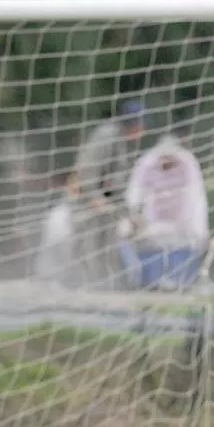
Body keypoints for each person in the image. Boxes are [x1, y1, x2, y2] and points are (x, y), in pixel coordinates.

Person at [118, 134, 210, 290]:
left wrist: (202, 230)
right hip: (153, 220)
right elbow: (134, 194)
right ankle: (140, 279)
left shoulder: (188, 164)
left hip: (182, 220)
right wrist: (135, 216)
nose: (167, 165)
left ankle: (181, 280)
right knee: (124, 231)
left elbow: (198, 199)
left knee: (194, 239)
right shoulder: (146, 164)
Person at [72, 99, 146, 288]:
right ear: (133, 123)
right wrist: (94, 196)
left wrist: (130, 214)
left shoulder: (123, 141)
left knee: (110, 249)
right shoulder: (106, 135)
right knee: (91, 249)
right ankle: (89, 289)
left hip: (108, 208)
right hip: (88, 205)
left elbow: (118, 184)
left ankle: (106, 288)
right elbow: (88, 168)